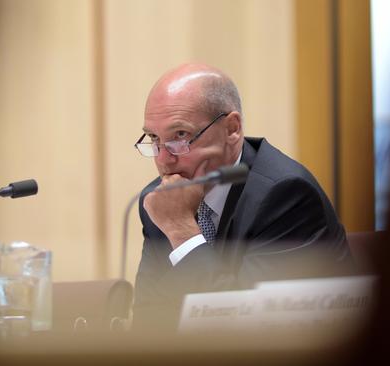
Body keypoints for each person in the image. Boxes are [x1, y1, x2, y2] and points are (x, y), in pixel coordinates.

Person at [132, 63, 351, 330]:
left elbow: (245, 331)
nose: (164, 160)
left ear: (232, 129)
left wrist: (182, 233)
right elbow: (149, 320)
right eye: (154, 138)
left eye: (181, 135)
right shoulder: (160, 202)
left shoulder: (286, 194)